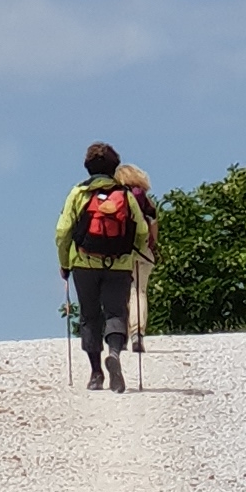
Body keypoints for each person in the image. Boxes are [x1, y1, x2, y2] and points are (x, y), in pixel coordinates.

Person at [55, 144, 154, 392]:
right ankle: (115, 354)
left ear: (88, 167)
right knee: (116, 312)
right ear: (114, 168)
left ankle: (96, 373)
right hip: (119, 264)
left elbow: (63, 231)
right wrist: (133, 253)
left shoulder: (78, 193)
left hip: (83, 263)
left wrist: (65, 262)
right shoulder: (126, 195)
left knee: (89, 316)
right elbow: (141, 229)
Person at [113, 163, 162, 358]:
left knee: (120, 294)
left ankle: (120, 335)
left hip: (119, 253)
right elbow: (154, 228)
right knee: (139, 291)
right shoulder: (146, 201)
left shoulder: (115, 198)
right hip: (143, 252)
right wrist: (152, 247)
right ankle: (138, 334)